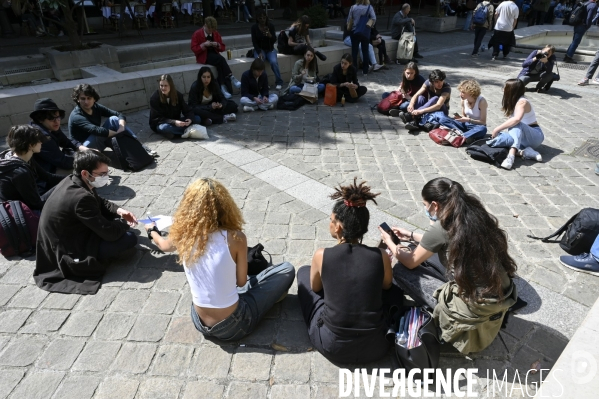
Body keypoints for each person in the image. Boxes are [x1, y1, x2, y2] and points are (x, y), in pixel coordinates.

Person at [144, 178, 295, 341]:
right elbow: (242, 282)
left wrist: (152, 230)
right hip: (233, 325)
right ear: (225, 206)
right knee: (286, 269)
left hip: (199, 321)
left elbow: (163, 245)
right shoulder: (236, 238)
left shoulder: (183, 235)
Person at [379, 177, 519, 354]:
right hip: (498, 293)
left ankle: (443, 317)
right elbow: (441, 241)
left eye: (425, 204)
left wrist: (389, 242)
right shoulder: (474, 214)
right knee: (423, 254)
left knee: (401, 270)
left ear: (435, 205)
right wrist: (411, 234)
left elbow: (410, 261)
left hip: (473, 306)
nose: (425, 209)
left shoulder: (443, 226)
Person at [297, 179, 392, 363]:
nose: (330, 223)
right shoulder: (380, 255)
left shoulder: (322, 255)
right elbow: (387, 285)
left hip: (332, 345)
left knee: (303, 273)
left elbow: (316, 289)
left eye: (331, 220)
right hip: (377, 345)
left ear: (338, 227)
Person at [34, 150, 138, 295]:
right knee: (129, 239)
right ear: (85, 173)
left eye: (107, 173)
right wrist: (123, 223)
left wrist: (118, 210)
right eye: (102, 174)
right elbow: (110, 234)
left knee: (117, 225)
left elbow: (99, 202)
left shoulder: (74, 180)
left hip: (70, 234)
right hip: (69, 249)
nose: (106, 177)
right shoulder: (80, 198)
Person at [68, 84, 156, 156]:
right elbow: (96, 130)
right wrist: (120, 134)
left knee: (114, 119)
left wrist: (121, 128)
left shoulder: (96, 107)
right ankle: (136, 147)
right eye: (83, 99)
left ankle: (139, 146)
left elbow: (119, 114)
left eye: (89, 98)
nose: (86, 102)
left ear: (94, 98)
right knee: (101, 132)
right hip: (83, 149)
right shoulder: (76, 115)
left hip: (97, 140)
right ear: (78, 100)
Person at [0, 125, 64, 212]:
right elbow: (36, 204)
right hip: (19, 213)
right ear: (30, 145)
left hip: (27, 203)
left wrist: (71, 177)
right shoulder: (19, 172)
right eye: (39, 140)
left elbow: (47, 177)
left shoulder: (20, 157)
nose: (41, 142)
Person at [488, 79, 544, 170]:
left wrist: (497, 129)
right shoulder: (513, 102)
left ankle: (511, 156)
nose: (503, 90)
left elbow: (517, 119)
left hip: (534, 136)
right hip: (520, 138)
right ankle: (525, 152)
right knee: (494, 141)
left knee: (516, 123)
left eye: (505, 88)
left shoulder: (523, 102)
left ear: (511, 90)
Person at [29, 98, 87, 182]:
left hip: (52, 165)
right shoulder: (42, 136)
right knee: (85, 170)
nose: (57, 121)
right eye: (51, 118)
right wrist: (87, 158)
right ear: (40, 119)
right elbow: (64, 162)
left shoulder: (49, 126)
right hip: (45, 177)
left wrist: (83, 148)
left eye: (58, 117)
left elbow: (66, 141)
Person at [191, 17, 242, 99]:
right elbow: (194, 49)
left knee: (219, 65)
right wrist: (204, 45)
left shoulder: (215, 33)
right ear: (205, 25)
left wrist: (217, 44)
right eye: (209, 29)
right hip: (204, 56)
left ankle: (222, 88)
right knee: (221, 59)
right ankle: (231, 77)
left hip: (215, 54)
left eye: (212, 29)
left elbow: (222, 47)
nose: (211, 31)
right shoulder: (197, 34)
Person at [150, 74, 202, 139]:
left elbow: (187, 110)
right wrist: (174, 122)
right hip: (162, 123)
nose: (163, 88)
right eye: (161, 85)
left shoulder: (178, 95)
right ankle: (186, 131)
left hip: (177, 121)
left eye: (166, 85)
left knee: (197, 118)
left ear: (170, 86)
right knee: (165, 128)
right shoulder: (155, 98)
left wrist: (190, 119)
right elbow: (157, 118)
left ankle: (175, 133)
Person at [251, 9, 284, 90]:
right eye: (260, 18)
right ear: (257, 19)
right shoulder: (254, 28)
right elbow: (254, 42)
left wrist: (269, 35)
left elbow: (274, 40)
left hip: (270, 49)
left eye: (264, 18)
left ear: (266, 17)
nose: (262, 20)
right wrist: (259, 52)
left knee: (273, 62)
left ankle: (279, 82)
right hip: (260, 49)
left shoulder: (270, 26)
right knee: (260, 62)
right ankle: (264, 83)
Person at [347, 0, 376, 76]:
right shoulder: (369, 7)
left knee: (354, 51)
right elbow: (373, 18)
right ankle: (365, 71)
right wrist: (369, 26)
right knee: (365, 51)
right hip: (365, 32)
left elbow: (349, 19)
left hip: (354, 31)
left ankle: (354, 70)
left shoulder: (353, 8)